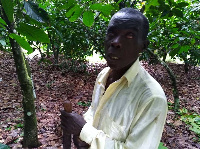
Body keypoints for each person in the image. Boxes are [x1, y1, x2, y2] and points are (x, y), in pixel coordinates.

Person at [61, 7, 168, 149]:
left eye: (129, 36)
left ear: (143, 46)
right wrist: (82, 132)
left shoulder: (152, 98)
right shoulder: (103, 75)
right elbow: (95, 113)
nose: (116, 42)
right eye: (112, 33)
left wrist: (84, 131)